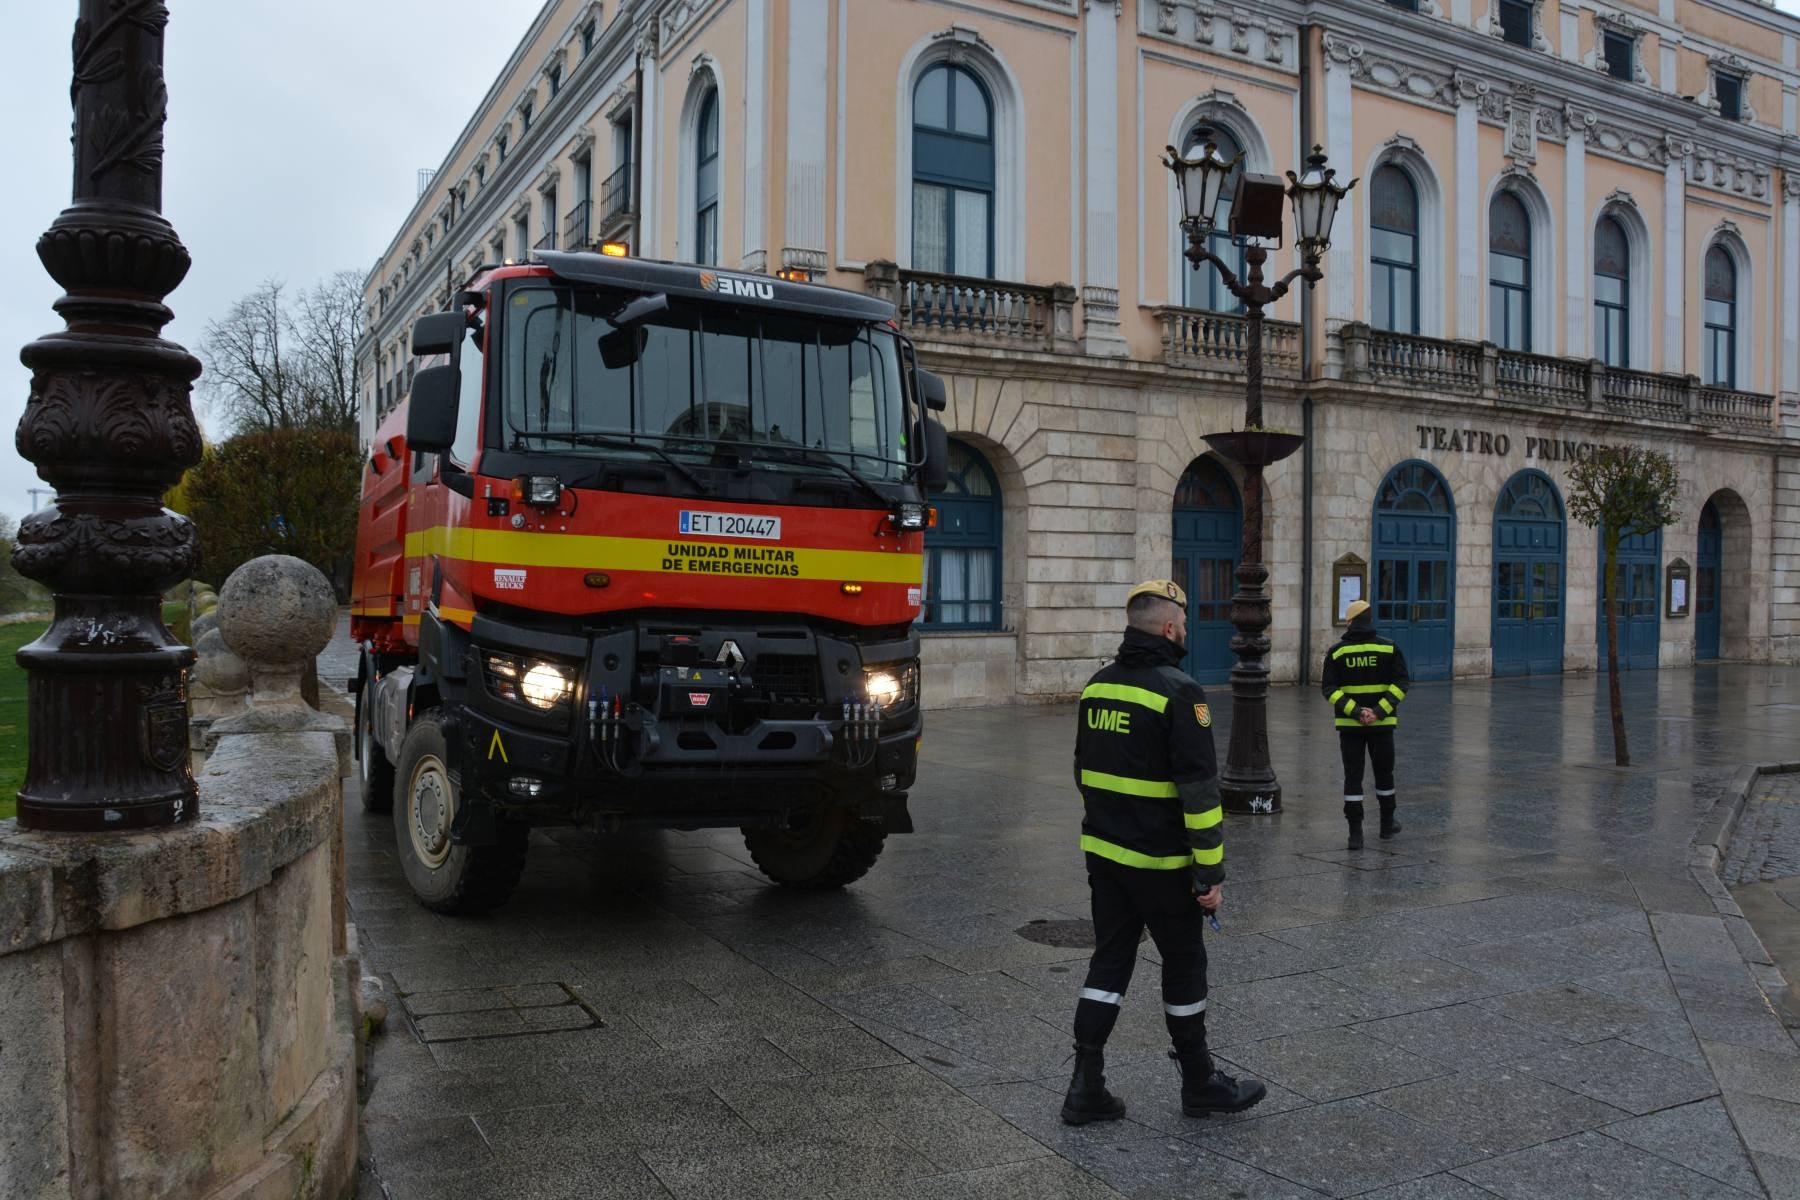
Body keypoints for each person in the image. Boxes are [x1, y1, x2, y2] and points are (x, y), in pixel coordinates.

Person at [1061, 579, 1267, 1125]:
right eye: (1183, 624)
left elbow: (1084, 772)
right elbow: (1200, 795)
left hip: (1105, 856)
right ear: (1172, 628)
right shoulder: (1181, 692)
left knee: (1109, 961)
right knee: (1183, 964)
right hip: (1163, 866)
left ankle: (1085, 1086)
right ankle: (1199, 1082)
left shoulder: (1097, 687)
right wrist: (1209, 875)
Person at [1320, 598, 1410, 850]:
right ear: (1369, 620)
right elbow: (1401, 683)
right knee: (1384, 773)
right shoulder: (1389, 648)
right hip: (1382, 725)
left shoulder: (1337, 652)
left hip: (1350, 726)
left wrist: (1356, 712)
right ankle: (1386, 825)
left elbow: (1329, 689)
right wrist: (1378, 712)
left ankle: (1355, 834)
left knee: (1353, 777)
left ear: (1349, 623)